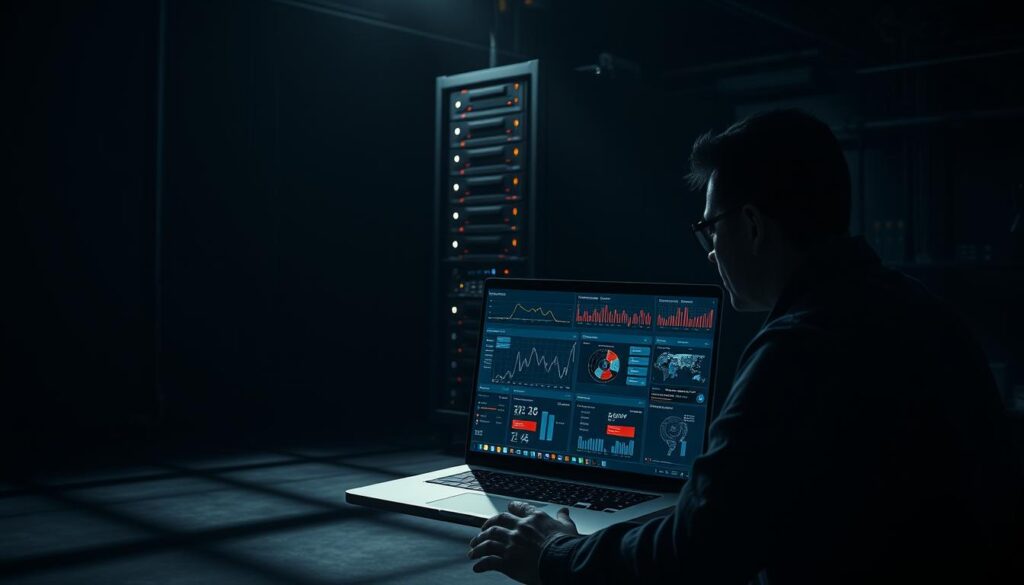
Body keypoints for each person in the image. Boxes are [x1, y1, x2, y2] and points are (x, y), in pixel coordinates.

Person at [466, 109, 1023, 584]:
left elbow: (698, 550)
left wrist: (555, 553)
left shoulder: (798, 349)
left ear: (752, 225)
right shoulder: (922, 310)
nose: (711, 251)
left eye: (712, 229)